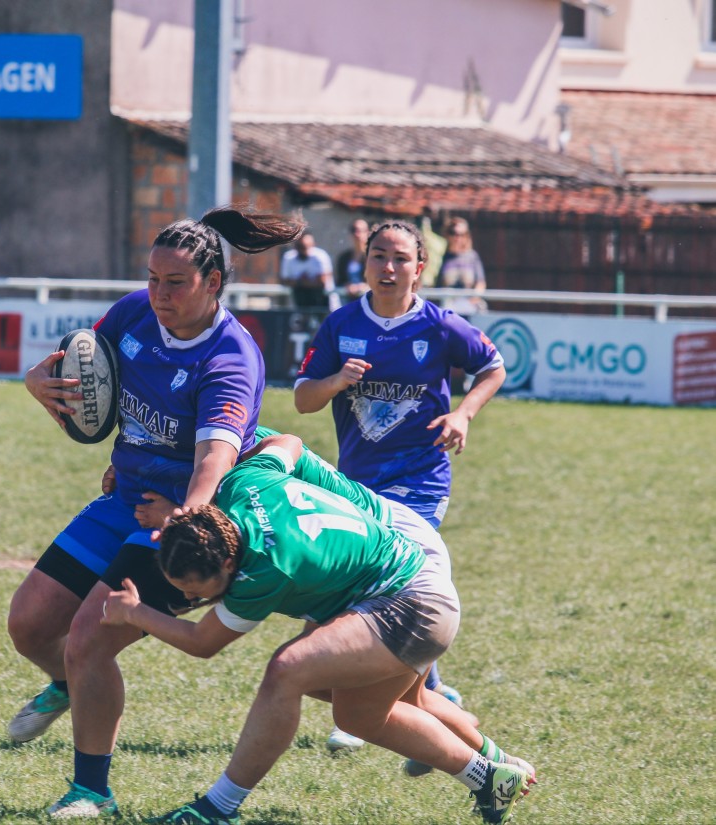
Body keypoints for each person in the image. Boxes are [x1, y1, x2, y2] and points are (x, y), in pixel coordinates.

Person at [5, 205, 304, 818]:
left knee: (89, 638)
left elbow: (213, 461)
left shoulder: (230, 358)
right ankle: (70, 684)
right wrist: (41, 385)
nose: (159, 294)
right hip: (126, 498)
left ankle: (92, 792)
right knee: (30, 625)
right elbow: (83, 369)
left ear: (213, 283)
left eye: (175, 283)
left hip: (184, 518)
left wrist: (182, 521)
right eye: (152, 278)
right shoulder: (133, 313)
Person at [101, 437, 535, 825]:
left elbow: (202, 642)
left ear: (229, 563)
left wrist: (135, 612)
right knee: (359, 716)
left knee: (288, 669)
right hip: (403, 581)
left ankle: (218, 808)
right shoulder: (243, 483)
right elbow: (285, 441)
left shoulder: (263, 568)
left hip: (414, 600)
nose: (191, 599)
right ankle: (490, 777)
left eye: (197, 591)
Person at [293, 220, 506, 748]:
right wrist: (336, 381)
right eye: (379, 256)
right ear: (364, 262)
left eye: (401, 258)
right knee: (383, 583)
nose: (388, 268)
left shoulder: (440, 326)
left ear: (419, 268)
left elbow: (493, 367)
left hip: (421, 480)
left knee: (388, 579)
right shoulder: (341, 325)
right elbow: (303, 399)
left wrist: (464, 414)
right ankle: (431, 698)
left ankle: (369, 711)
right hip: (356, 487)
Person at [436, 217, 487, 318]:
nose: (457, 238)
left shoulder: (472, 256)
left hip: (469, 303)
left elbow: (480, 282)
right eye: (453, 233)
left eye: (462, 234)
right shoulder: (441, 256)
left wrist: (474, 298)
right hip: (448, 304)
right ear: (447, 234)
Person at [279, 231, 335, 310]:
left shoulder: (321, 256)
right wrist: (306, 282)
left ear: (313, 245)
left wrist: (298, 283)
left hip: (324, 304)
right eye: (300, 246)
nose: (304, 250)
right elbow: (285, 281)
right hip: (300, 304)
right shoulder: (289, 257)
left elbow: (322, 282)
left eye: (306, 246)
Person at [334, 218, 370, 300]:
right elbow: (339, 281)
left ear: (368, 233)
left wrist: (364, 286)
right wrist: (347, 286)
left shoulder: (372, 257)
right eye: (354, 230)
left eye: (360, 231)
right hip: (348, 299)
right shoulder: (344, 257)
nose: (357, 234)